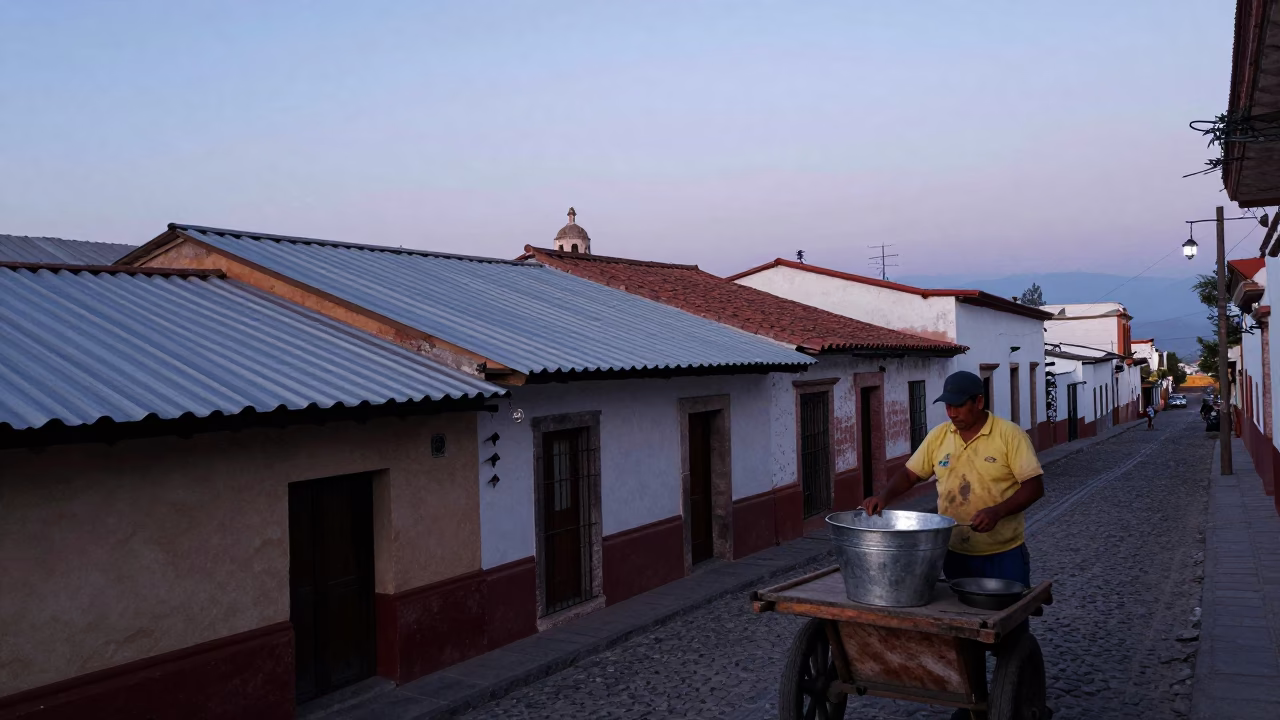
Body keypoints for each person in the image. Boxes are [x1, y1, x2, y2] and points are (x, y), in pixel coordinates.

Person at [863, 370, 1045, 588]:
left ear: (979, 402)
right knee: (958, 616)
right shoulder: (939, 436)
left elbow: (1034, 487)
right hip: (953, 551)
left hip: (1003, 554)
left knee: (1008, 617)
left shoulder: (1010, 435)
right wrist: (884, 497)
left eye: (958, 406)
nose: (951, 413)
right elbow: (910, 474)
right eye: (947, 406)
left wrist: (997, 512)